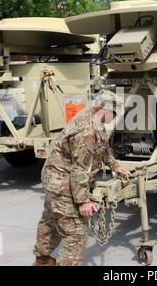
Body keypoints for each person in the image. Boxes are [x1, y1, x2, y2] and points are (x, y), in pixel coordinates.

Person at [33, 90, 131, 266]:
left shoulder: (94, 120)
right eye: (114, 113)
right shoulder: (86, 131)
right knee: (76, 233)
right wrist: (83, 202)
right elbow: (80, 170)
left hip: (55, 179)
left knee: (51, 220)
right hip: (63, 183)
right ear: (103, 109)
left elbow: (102, 147)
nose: (115, 117)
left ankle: (42, 260)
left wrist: (115, 166)